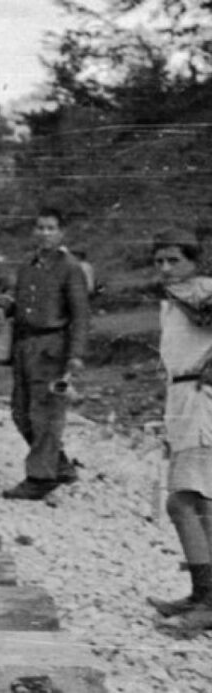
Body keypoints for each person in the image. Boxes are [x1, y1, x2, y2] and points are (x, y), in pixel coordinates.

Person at [0, 207, 89, 500]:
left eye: (51, 228)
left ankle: (40, 478)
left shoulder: (71, 268)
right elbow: (12, 294)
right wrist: (1, 308)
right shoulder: (27, 264)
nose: (45, 234)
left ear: (61, 233)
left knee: (45, 414)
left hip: (52, 349)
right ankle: (59, 465)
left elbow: (81, 315)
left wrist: (75, 355)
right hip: (24, 346)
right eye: (40, 228)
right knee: (20, 412)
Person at [147, 229, 212, 625]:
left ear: (194, 261)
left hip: (200, 400)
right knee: (199, 501)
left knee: (184, 501)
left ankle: (208, 600)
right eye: (160, 261)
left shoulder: (203, 290)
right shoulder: (174, 299)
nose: (166, 268)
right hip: (180, 398)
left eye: (174, 260)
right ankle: (202, 596)